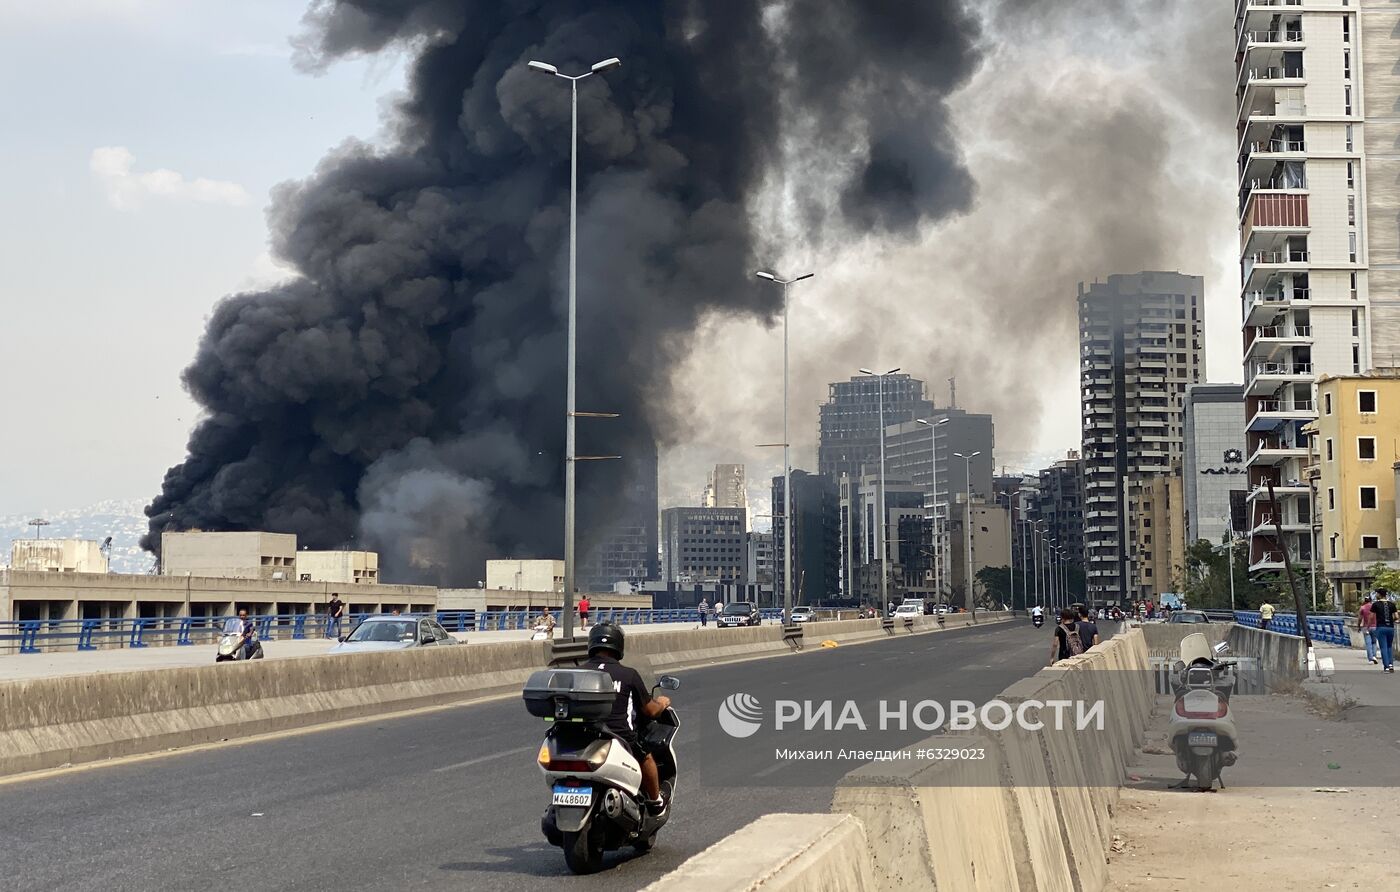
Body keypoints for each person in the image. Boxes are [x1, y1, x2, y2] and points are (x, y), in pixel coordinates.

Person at [586, 622, 672, 816]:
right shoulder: (628, 674)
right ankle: (655, 801)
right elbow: (650, 711)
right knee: (647, 756)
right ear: (618, 646)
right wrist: (662, 703)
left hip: (583, 737)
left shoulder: (578, 673)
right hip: (620, 738)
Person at [1372, 589, 1396, 673]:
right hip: (1391, 628)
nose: (1376, 595)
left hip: (1381, 627)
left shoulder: (1375, 604)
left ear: (1379, 594)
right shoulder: (1392, 604)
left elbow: (1372, 616)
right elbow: (1396, 616)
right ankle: (1391, 665)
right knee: (1389, 647)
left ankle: (1386, 667)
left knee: (1383, 647)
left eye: (1376, 593)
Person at [1360, 594, 1378, 664]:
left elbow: (1360, 618)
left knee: (1368, 643)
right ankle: (1374, 656)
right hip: (1374, 627)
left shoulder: (1362, 608)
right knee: (1374, 642)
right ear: (1371, 600)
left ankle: (1370, 659)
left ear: (1365, 600)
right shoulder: (1375, 607)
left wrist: (1358, 626)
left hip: (1366, 627)